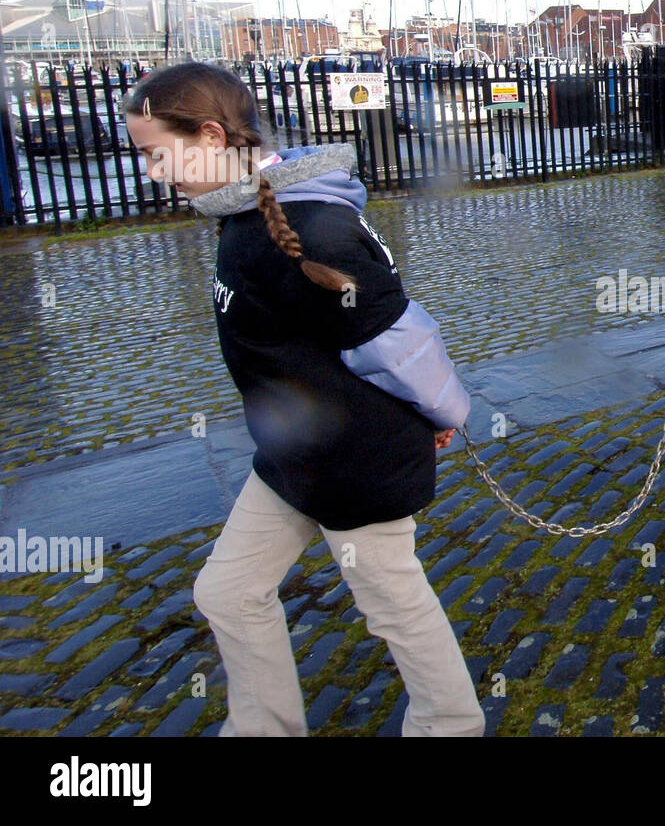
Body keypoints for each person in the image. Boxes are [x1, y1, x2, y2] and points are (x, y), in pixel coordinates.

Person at [123, 62, 484, 736]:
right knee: (227, 591)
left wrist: (444, 413)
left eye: (153, 152)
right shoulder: (243, 212)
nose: (151, 170)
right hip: (292, 457)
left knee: (394, 606)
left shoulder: (311, 229)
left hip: (356, 463)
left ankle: (453, 725)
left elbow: (397, 339)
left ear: (207, 134)